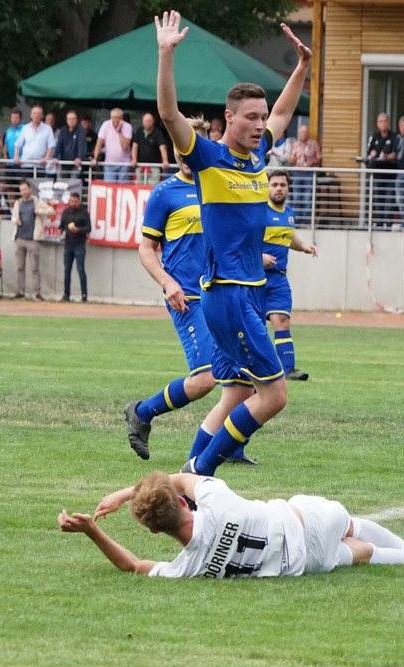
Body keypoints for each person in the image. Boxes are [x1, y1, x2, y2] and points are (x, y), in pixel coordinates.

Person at [155, 9, 310, 476]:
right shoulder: (208, 156)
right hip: (229, 293)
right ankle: (197, 473)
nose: (261, 125)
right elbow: (168, 114)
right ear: (229, 117)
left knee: (239, 392)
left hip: (247, 291)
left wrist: (302, 67)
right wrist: (166, 55)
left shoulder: (257, 154)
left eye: (262, 117)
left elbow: (284, 112)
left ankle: (193, 476)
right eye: (250, 118)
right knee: (274, 394)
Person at [125, 116, 254, 466]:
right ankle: (142, 412)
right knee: (205, 380)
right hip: (188, 299)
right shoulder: (165, 193)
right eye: (180, 145)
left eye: (192, 145)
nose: (186, 152)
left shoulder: (217, 184)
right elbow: (146, 250)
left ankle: (227, 449)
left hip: (223, 295)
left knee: (243, 381)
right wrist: (168, 283)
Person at [58, 470, 404, 579]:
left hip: (300, 564)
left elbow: (132, 565)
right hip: (307, 523)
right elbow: (178, 478)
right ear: (181, 502)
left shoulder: (187, 568)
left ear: (154, 531)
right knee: (347, 525)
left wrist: (93, 531)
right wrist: (126, 492)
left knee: (359, 554)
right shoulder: (216, 500)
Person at [263, 169, 317, 380]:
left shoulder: (289, 214)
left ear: (288, 188)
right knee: (255, 326)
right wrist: (259, 257)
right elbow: (243, 240)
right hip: (255, 277)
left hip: (278, 278)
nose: (278, 188)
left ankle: (288, 370)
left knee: (282, 320)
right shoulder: (259, 212)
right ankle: (253, 370)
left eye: (282, 185)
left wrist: (303, 246)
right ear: (267, 187)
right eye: (274, 184)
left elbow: (288, 236)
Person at [11, 179, 55, 300]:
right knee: (20, 267)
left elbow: (51, 210)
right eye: (21, 190)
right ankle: (20, 291)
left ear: (30, 189)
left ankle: (37, 292)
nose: (24, 192)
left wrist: (39, 211)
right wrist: (15, 220)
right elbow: (13, 216)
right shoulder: (18, 202)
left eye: (25, 189)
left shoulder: (37, 201)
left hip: (33, 238)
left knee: (34, 267)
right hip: (19, 237)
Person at [365, 113, 398, 228]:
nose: (383, 123)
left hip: (390, 175)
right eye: (381, 121)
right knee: (378, 201)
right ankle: (379, 225)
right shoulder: (374, 137)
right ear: (377, 124)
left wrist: (387, 156)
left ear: (388, 123)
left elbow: (396, 153)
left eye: (385, 121)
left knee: (389, 202)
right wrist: (372, 153)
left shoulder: (394, 137)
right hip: (377, 175)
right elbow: (368, 152)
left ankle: (388, 225)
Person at [59, 192, 91, 302]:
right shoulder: (66, 212)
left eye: (75, 202)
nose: (73, 203)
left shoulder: (83, 212)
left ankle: (84, 295)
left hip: (79, 244)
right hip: (68, 244)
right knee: (67, 270)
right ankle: (66, 294)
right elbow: (62, 225)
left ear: (79, 201)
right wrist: (60, 230)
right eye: (71, 201)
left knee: (80, 269)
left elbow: (89, 228)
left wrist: (78, 230)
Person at [287, 123, 321, 224]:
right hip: (296, 173)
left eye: (305, 132)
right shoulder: (295, 144)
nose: (304, 134)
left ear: (308, 133)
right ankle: (296, 221)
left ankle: (305, 222)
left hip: (309, 174)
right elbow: (291, 158)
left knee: (307, 198)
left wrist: (313, 161)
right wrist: (291, 160)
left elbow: (319, 159)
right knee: (296, 197)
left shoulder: (314, 144)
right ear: (299, 133)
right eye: (302, 132)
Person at [92, 108, 134, 182]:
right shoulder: (105, 125)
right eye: (115, 117)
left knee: (123, 187)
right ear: (111, 117)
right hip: (109, 163)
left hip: (124, 164)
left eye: (119, 118)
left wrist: (119, 132)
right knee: (109, 186)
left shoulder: (128, 126)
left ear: (122, 118)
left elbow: (125, 145)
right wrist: (95, 158)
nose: (117, 120)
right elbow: (99, 142)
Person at [13, 106, 55, 174]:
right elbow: (18, 144)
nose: (36, 115)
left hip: (40, 165)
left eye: (38, 113)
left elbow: (51, 146)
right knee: (25, 181)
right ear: (31, 115)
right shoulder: (25, 128)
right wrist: (16, 156)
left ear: (42, 116)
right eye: (34, 113)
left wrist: (46, 158)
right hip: (26, 164)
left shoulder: (48, 129)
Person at [132, 112, 170, 184]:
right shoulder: (139, 131)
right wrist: (134, 159)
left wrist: (165, 160)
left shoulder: (158, 132)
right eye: (145, 121)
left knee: (152, 186)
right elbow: (135, 146)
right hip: (140, 165)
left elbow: (162, 147)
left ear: (153, 121)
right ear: (142, 121)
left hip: (154, 166)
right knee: (138, 186)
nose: (147, 123)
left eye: (149, 121)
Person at [53, 110, 88, 176]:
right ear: (67, 120)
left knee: (74, 181)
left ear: (76, 120)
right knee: (61, 181)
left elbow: (81, 145)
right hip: (64, 162)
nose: (71, 121)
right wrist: (55, 156)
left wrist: (79, 157)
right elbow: (59, 144)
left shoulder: (81, 131)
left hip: (76, 163)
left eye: (73, 119)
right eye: (69, 119)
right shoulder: (63, 130)